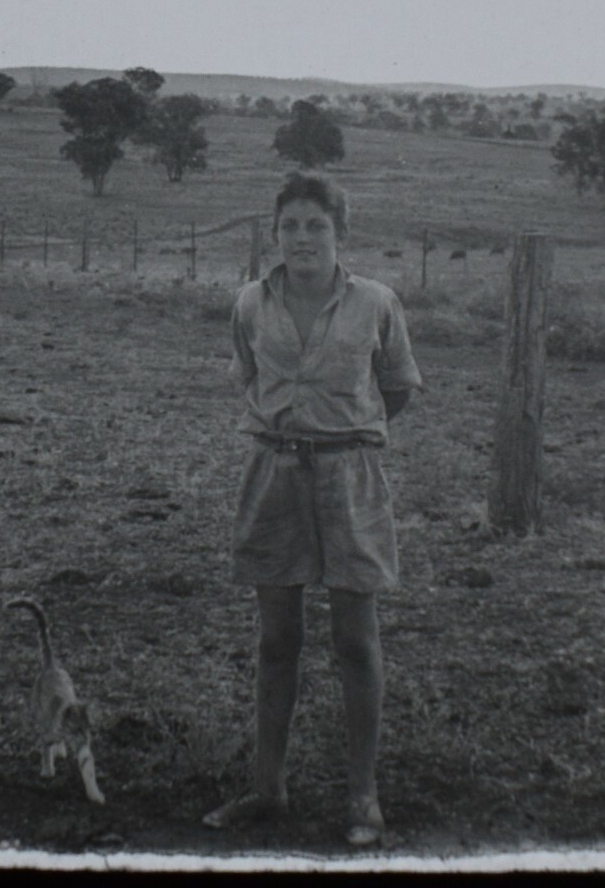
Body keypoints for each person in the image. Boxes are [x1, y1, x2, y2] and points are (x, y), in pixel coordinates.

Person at [202, 172, 423, 848]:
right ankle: (269, 787)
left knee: (355, 638)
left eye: (316, 225)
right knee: (277, 639)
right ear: (275, 233)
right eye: (291, 225)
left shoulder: (376, 302)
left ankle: (363, 796)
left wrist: (343, 439)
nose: (302, 238)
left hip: (349, 476)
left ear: (341, 235)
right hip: (272, 473)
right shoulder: (248, 303)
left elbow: (398, 387)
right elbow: (249, 376)